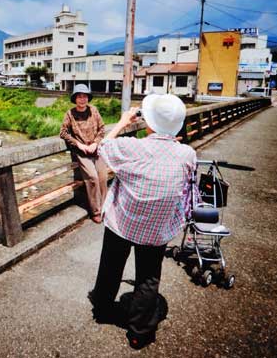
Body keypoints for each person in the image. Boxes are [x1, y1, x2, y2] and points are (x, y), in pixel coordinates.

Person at [88, 93, 196, 349]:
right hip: (157, 228)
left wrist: (124, 122)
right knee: (148, 277)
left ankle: (102, 309)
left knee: (110, 267)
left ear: (149, 123)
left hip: (123, 221)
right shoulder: (187, 154)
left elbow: (101, 148)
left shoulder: (133, 147)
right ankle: (139, 333)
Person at [59, 84, 108, 223]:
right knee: (92, 177)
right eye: (79, 96)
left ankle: (104, 207)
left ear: (88, 98)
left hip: (96, 149)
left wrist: (95, 143)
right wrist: (78, 144)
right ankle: (96, 211)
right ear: (75, 98)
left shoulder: (94, 110)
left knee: (102, 177)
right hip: (82, 152)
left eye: (85, 96)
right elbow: (63, 132)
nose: (82, 99)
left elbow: (102, 129)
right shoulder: (70, 114)